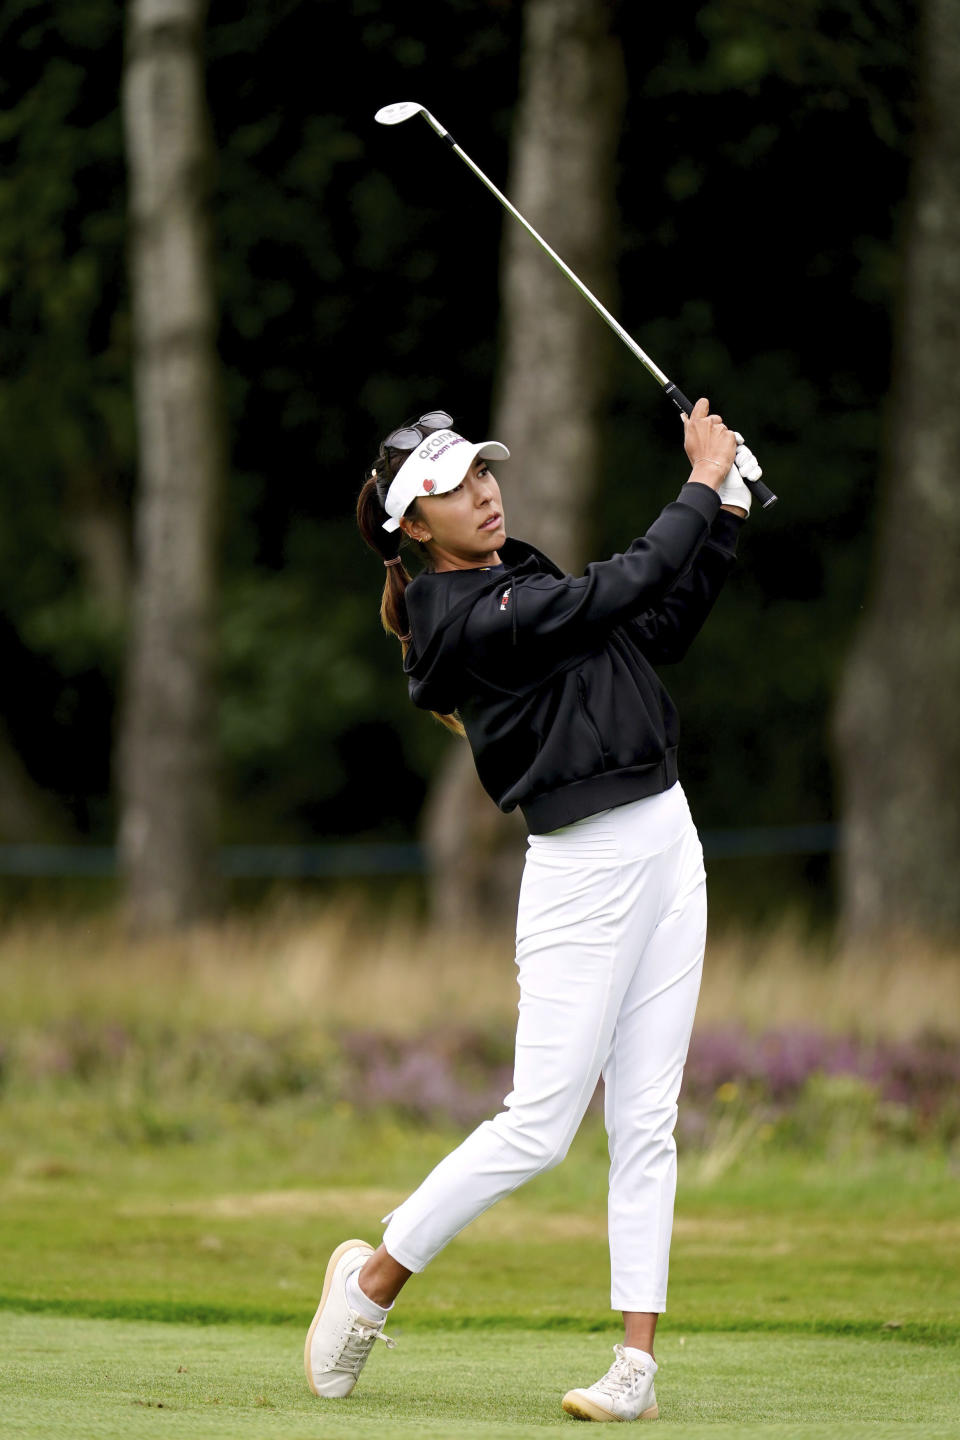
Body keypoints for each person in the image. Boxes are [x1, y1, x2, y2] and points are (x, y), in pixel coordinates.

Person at [305, 400, 760, 1422]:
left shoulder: (526, 577)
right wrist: (698, 481)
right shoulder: (458, 622)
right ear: (413, 527)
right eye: (454, 485)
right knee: (541, 1126)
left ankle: (635, 1368)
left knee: (648, 1122)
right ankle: (374, 1280)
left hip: (665, 841)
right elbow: (629, 580)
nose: (483, 490)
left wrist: (724, 516)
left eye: (481, 471)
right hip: (582, 870)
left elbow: (657, 625)